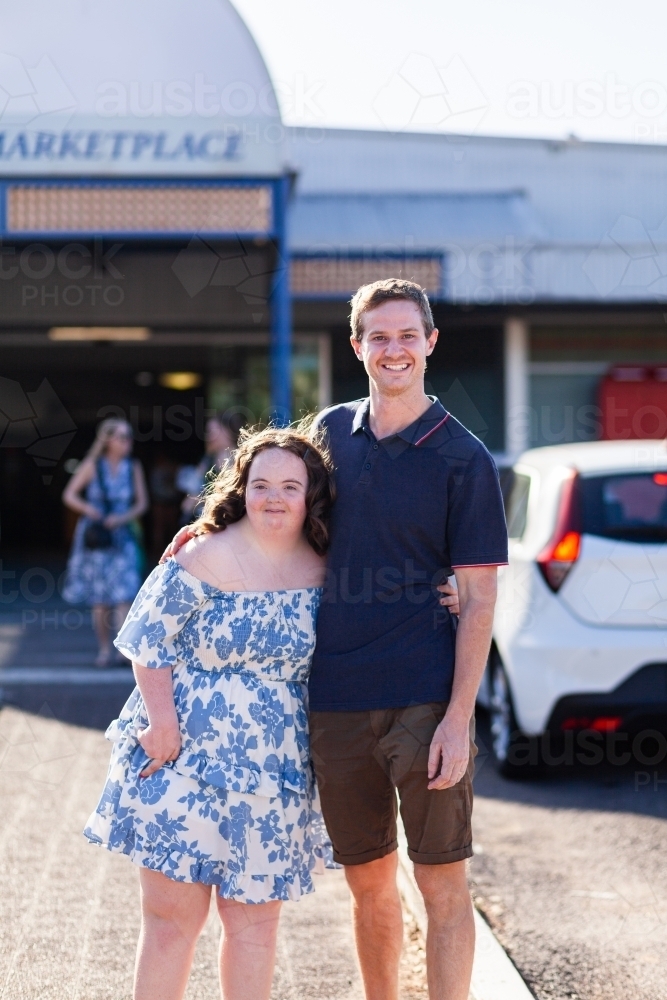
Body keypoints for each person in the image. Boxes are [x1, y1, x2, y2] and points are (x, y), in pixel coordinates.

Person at [164, 279, 508, 1000]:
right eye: (377, 337)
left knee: (442, 882)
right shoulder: (327, 435)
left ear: (429, 343)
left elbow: (477, 602)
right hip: (334, 700)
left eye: (406, 336)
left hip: (424, 695)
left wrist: (456, 719)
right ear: (356, 347)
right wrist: (205, 531)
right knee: (368, 884)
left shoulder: (463, 459)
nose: (393, 350)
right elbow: (272, 502)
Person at [84, 426, 335, 1000]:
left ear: (311, 494)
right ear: (241, 488)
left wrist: (448, 591)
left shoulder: (328, 568)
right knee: (172, 923)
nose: (275, 497)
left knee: (254, 929)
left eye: (290, 486)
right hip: (183, 762)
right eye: (262, 483)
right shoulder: (202, 553)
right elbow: (148, 639)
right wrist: (163, 724)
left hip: (274, 775)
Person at [63, 418, 149, 666]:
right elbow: (69, 494)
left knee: (125, 594)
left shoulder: (133, 467)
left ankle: (122, 651)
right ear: (108, 440)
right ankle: (104, 649)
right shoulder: (93, 465)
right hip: (96, 537)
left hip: (122, 535)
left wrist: (122, 517)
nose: (128, 442)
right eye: (122, 437)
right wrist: (90, 510)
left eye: (129, 437)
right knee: (100, 599)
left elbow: (142, 503)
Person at [178, 412, 238, 522]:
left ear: (227, 431)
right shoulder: (207, 460)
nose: (209, 436)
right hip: (206, 520)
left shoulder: (240, 459)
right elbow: (190, 496)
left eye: (212, 431)